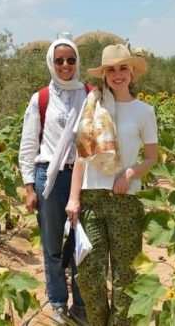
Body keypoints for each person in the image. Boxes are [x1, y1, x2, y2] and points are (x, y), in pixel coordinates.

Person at [65, 44, 158, 325]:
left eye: (123, 68)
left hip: (125, 200)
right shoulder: (92, 106)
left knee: (125, 276)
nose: (117, 74)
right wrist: (73, 198)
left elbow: (151, 157)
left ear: (132, 73)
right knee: (89, 275)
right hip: (91, 198)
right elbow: (81, 158)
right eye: (111, 70)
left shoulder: (144, 111)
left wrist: (129, 174)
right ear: (104, 75)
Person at [18, 38, 88, 324]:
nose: (65, 65)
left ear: (77, 61)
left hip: (85, 177)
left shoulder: (91, 94)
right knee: (53, 247)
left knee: (84, 245)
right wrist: (28, 186)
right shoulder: (41, 98)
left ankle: (82, 305)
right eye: (59, 60)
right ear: (51, 63)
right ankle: (58, 302)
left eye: (70, 59)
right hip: (50, 177)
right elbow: (27, 145)